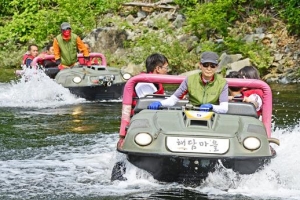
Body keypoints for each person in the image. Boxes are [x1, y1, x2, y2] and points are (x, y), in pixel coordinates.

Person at [148, 51, 228, 113]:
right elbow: (173, 99)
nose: (209, 68)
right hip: (192, 113)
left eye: (213, 66)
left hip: (212, 115)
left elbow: (224, 108)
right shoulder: (189, 80)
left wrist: (212, 107)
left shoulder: (222, 83)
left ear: (217, 67)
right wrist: (160, 103)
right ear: (200, 65)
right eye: (206, 65)